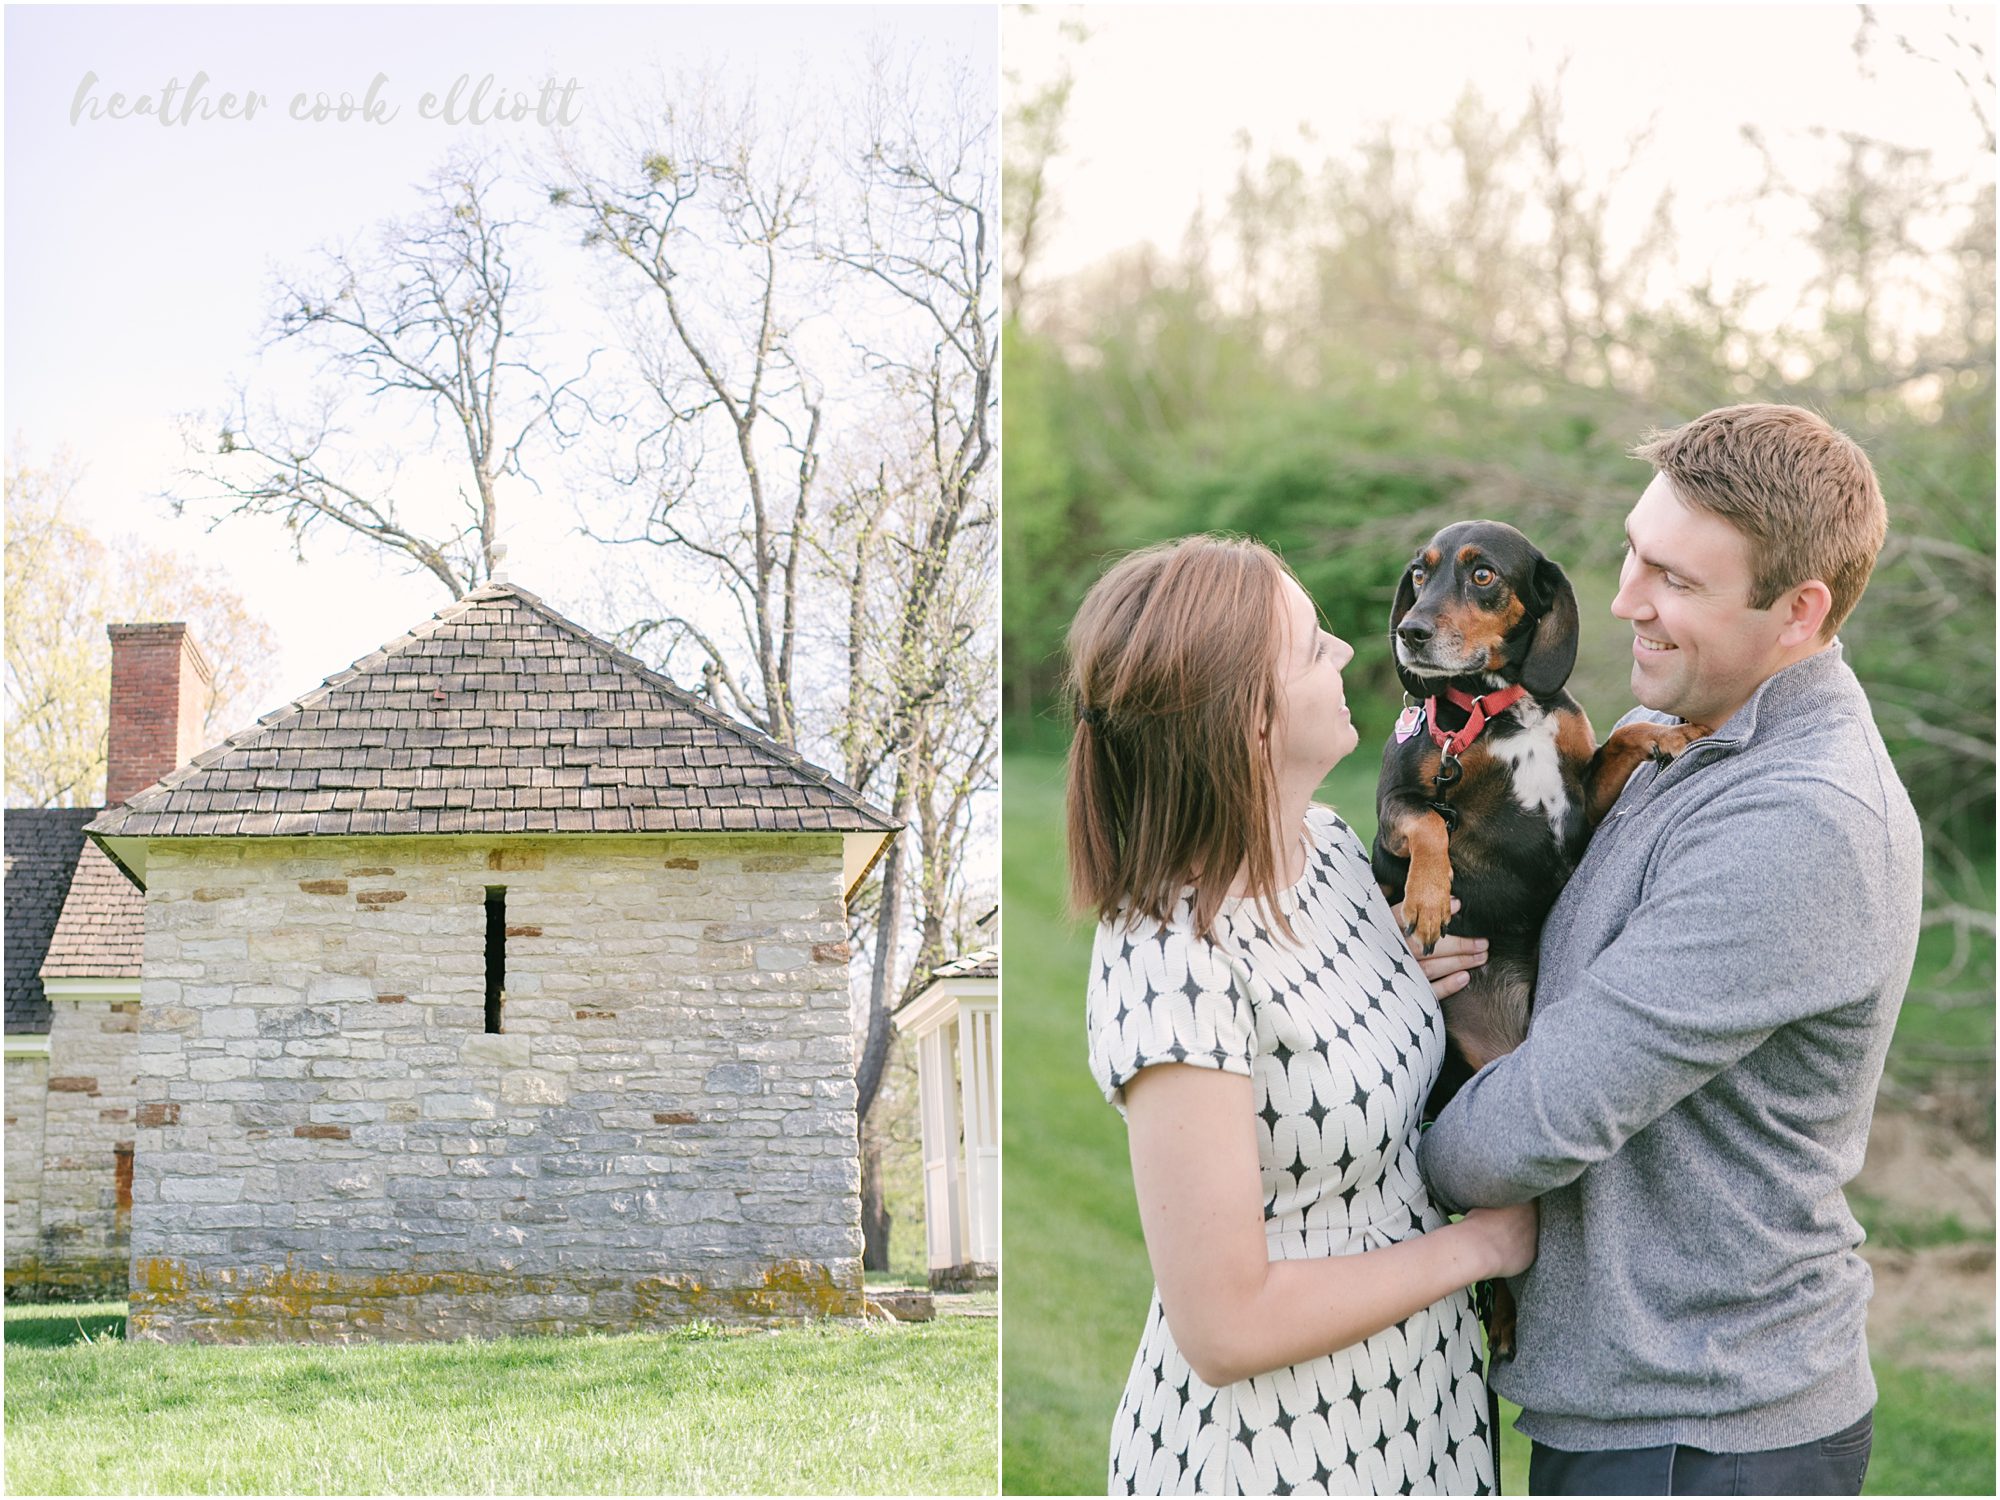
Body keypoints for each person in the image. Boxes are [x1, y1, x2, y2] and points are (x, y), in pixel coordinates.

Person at [1418, 404, 1922, 1496]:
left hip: (1705, 1435)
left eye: (1676, 582)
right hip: (1635, 1414)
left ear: (1797, 612)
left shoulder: (1798, 821)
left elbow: (1529, 1128)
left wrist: (1347, 1149)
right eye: (1632, 553)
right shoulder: (1682, 742)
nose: (1621, 601)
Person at [1069, 534, 1534, 1496]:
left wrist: (1403, 985)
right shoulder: (1171, 956)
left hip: (1424, 1417)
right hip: (1282, 1452)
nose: (1348, 656)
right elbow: (1226, 1326)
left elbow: (1340, 1041)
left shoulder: (1326, 850)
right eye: (1313, 644)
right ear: (1248, 717)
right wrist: (1481, 1246)